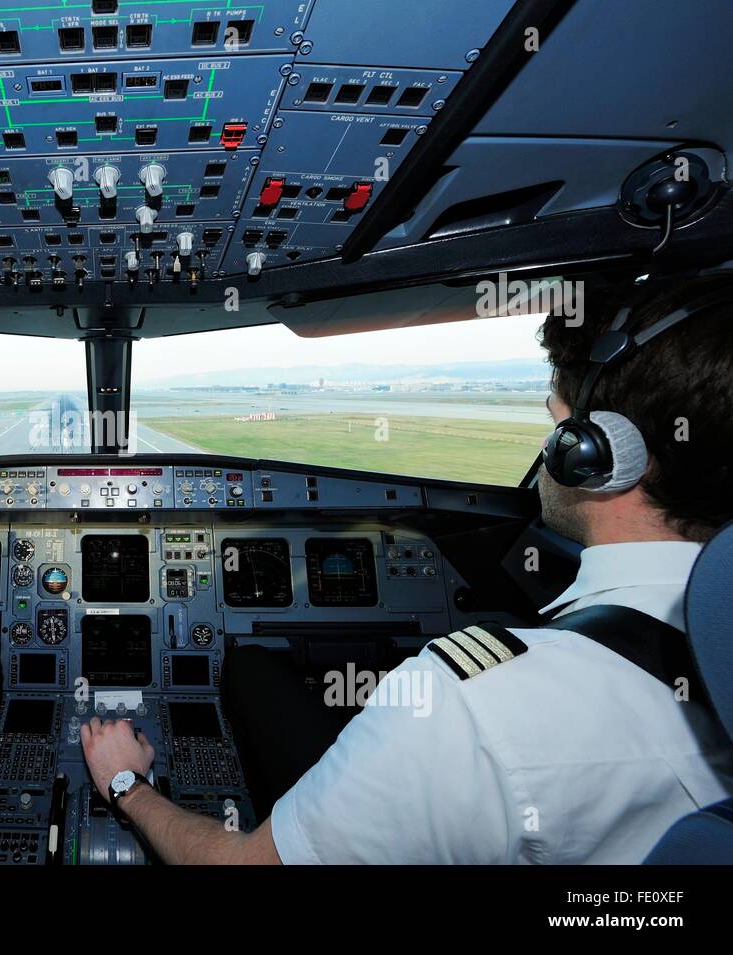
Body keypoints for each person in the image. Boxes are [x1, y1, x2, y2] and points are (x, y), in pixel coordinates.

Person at [81, 274, 733, 864]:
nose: (546, 448)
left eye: (555, 424)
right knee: (253, 664)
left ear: (594, 455)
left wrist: (125, 782)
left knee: (249, 661)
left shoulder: (475, 704)